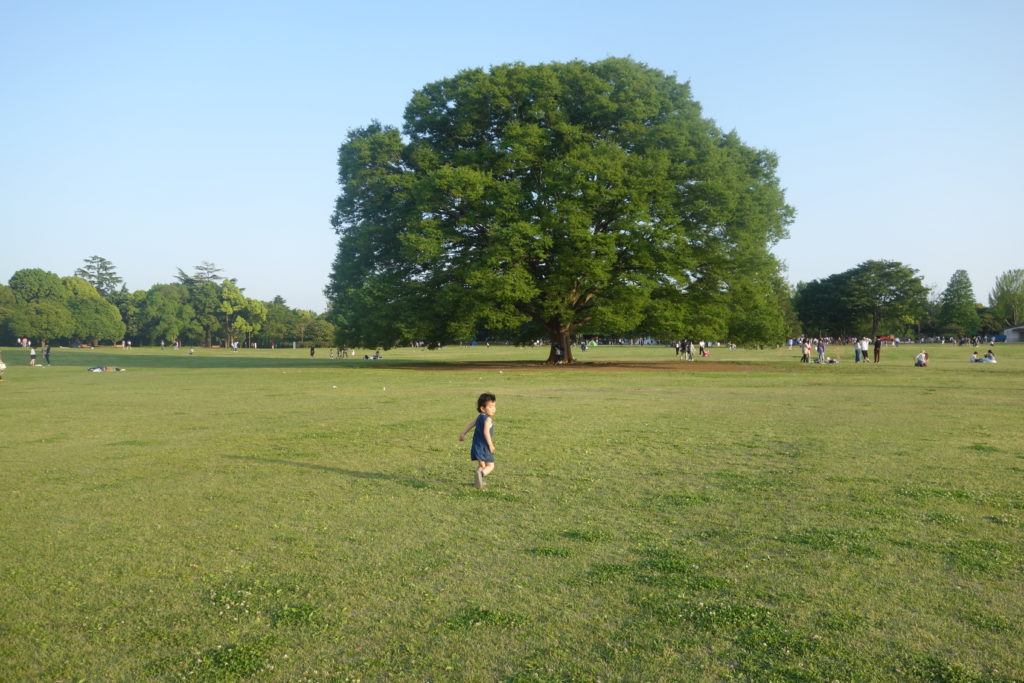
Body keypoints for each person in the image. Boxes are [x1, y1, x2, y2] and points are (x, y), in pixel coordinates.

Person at [459, 392, 497, 489]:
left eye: (494, 406)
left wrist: (463, 433)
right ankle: (480, 475)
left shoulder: (479, 417)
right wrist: (490, 444)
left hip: (476, 446)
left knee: (481, 465)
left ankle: (477, 482)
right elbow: (486, 432)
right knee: (490, 466)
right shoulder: (488, 419)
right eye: (491, 407)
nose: (494, 409)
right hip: (484, 447)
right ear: (482, 408)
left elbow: (470, 425)